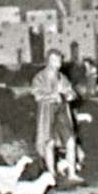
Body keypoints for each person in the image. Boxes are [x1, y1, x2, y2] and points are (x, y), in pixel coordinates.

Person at [31, 51, 80, 179]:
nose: (59, 62)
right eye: (55, 59)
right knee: (49, 143)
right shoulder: (39, 77)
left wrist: (69, 96)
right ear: (49, 61)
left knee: (71, 142)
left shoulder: (62, 77)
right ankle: (52, 174)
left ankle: (72, 174)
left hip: (62, 113)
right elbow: (37, 95)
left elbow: (72, 93)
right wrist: (53, 96)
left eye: (60, 59)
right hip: (48, 113)